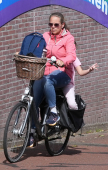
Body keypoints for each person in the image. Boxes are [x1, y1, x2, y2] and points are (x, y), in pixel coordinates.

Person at [28, 12, 76, 147]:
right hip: (43, 72)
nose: (52, 27)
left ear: (62, 25)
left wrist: (63, 61)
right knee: (33, 102)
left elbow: (72, 56)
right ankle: (32, 133)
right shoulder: (45, 36)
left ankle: (54, 113)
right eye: (50, 24)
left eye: (56, 25)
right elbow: (36, 50)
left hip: (62, 73)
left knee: (48, 81)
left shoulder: (68, 38)